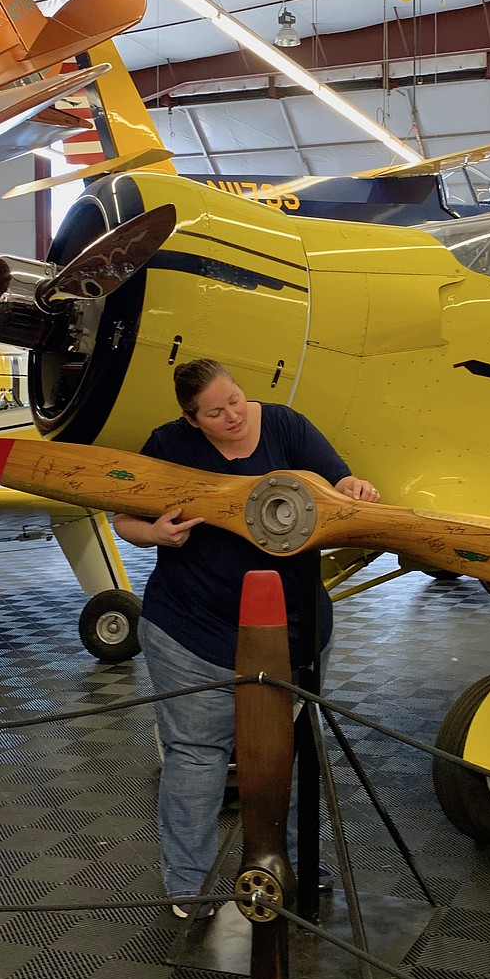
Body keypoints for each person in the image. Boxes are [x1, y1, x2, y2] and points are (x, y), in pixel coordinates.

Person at [112, 358, 379, 919]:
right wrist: (154, 531)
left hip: (294, 630)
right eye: (215, 411)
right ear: (192, 420)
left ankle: (298, 864)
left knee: (295, 753)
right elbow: (124, 518)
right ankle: (192, 886)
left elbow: (337, 489)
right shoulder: (167, 444)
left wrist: (352, 488)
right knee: (196, 756)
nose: (232, 415)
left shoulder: (286, 426)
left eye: (235, 400)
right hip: (191, 630)